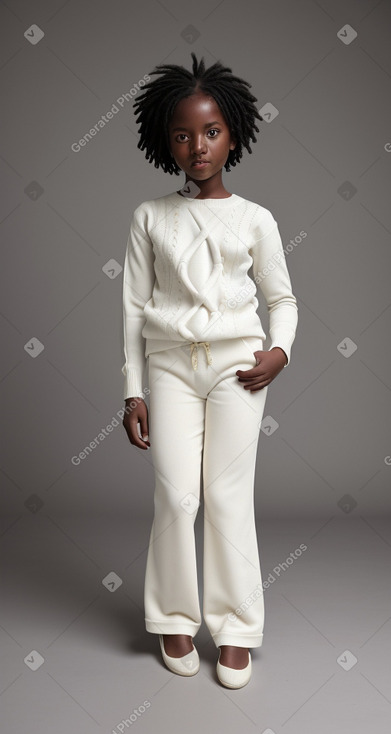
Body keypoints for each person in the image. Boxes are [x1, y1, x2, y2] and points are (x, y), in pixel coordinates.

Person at [121, 52, 298, 689]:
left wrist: (279, 352)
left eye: (212, 131)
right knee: (176, 494)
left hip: (237, 371)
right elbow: (135, 309)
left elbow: (282, 299)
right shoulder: (148, 217)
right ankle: (172, 614)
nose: (199, 146)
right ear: (165, 140)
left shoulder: (255, 218)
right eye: (183, 134)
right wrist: (133, 391)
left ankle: (236, 629)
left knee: (226, 498)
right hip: (169, 367)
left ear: (234, 134)